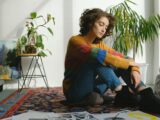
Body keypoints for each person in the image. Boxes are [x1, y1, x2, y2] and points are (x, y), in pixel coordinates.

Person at [63, 8, 160, 114]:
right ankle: (121, 92)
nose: (104, 29)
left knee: (118, 63)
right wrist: (127, 63)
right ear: (90, 22)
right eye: (101, 24)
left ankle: (146, 95)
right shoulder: (75, 41)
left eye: (106, 27)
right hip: (74, 91)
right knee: (97, 57)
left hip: (91, 88)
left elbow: (125, 58)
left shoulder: (100, 44)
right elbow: (95, 53)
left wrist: (135, 69)